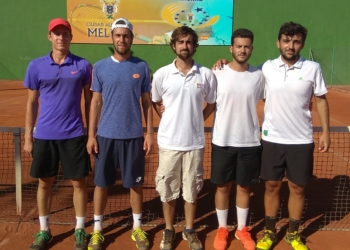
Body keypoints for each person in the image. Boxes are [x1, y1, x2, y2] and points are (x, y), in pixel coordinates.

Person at [255, 21, 330, 250]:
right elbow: (242, 75)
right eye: (286, 41)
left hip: (301, 140)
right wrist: (222, 64)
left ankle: (293, 234)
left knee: (298, 187)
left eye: (296, 41)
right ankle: (269, 232)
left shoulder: (313, 68)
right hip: (272, 139)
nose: (291, 45)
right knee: (271, 186)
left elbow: (320, 100)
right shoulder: (266, 67)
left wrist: (326, 132)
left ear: (302, 44)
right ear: (279, 43)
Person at [23, 18, 92, 250]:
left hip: (73, 134)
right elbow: (31, 103)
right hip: (44, 135)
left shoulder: (83, 65)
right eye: (57, 33)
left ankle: (80, 229)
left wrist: (91, 133)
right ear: (49, 37)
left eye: (65, 33)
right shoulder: (36, 66)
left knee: (79, 183)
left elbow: (89, 101)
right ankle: (44, 230)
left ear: (71, 37)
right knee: (44, 183)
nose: (61, 37)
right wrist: (27, 138)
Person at [86, 18, 154, 250]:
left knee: (135, 185)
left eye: (126, 35)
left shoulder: (142, 67)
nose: (122, 39)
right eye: (118, 35)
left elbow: (146, 102)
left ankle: (137, 228)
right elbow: (95, 102)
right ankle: (97, 230)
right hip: (106, 136)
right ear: (112, 38)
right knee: (102, 184)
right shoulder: (100, 67)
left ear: (132, 39)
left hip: (133, 136)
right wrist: (91, 135)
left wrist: (149, 133)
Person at [152, 26, 217, 250]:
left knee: (191, 188)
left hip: (194, 143)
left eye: (189, 42)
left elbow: (212, 103)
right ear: (173, 46)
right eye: (180, 42)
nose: (185, 46)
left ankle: (189, 228)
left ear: (195, 46)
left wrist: (199, 118)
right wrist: (166, 116)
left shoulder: (206, 75)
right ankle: (169, 229)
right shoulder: (161, 74)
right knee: (168, 188)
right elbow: (154, 100)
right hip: (168, 143)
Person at [210, 28, 264, 250]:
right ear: (231, 48)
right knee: (223, 187)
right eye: (239, 46)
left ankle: (242, 228)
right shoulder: (216, 73)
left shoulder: (259, 76)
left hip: (250, 142)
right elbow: (206, 103)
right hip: (222, 140)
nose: (243, 50)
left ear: (252, 48)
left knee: (243, 187)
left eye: (247, 46)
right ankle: (223, 228)